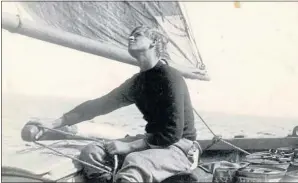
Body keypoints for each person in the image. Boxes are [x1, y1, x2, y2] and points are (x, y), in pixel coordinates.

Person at [21, 25, 201, 183]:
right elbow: (100, 105)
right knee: (91, 153)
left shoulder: (170, 77)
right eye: (131, 34)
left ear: (153, 42)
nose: (130, 37)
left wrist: (130, 146)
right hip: (153, 141)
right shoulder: (138, 82)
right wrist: (55, 123)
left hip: (179, 147)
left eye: (137, 35)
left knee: (135, 163)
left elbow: (172, 133)